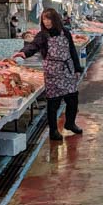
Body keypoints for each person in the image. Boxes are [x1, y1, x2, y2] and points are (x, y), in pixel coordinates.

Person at [13, 8, 83, 141]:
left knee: (72, 98)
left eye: (49, 18)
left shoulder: (65, 32)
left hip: (67, 69)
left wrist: (77, 68)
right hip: (52, 71)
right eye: (44, 19)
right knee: (53, 103)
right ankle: (53, 131)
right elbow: (33, 46)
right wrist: (24, 52)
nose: (46, 22)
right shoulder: (42, 35)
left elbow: (72, 50)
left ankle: (70, 123)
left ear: (55, 19)